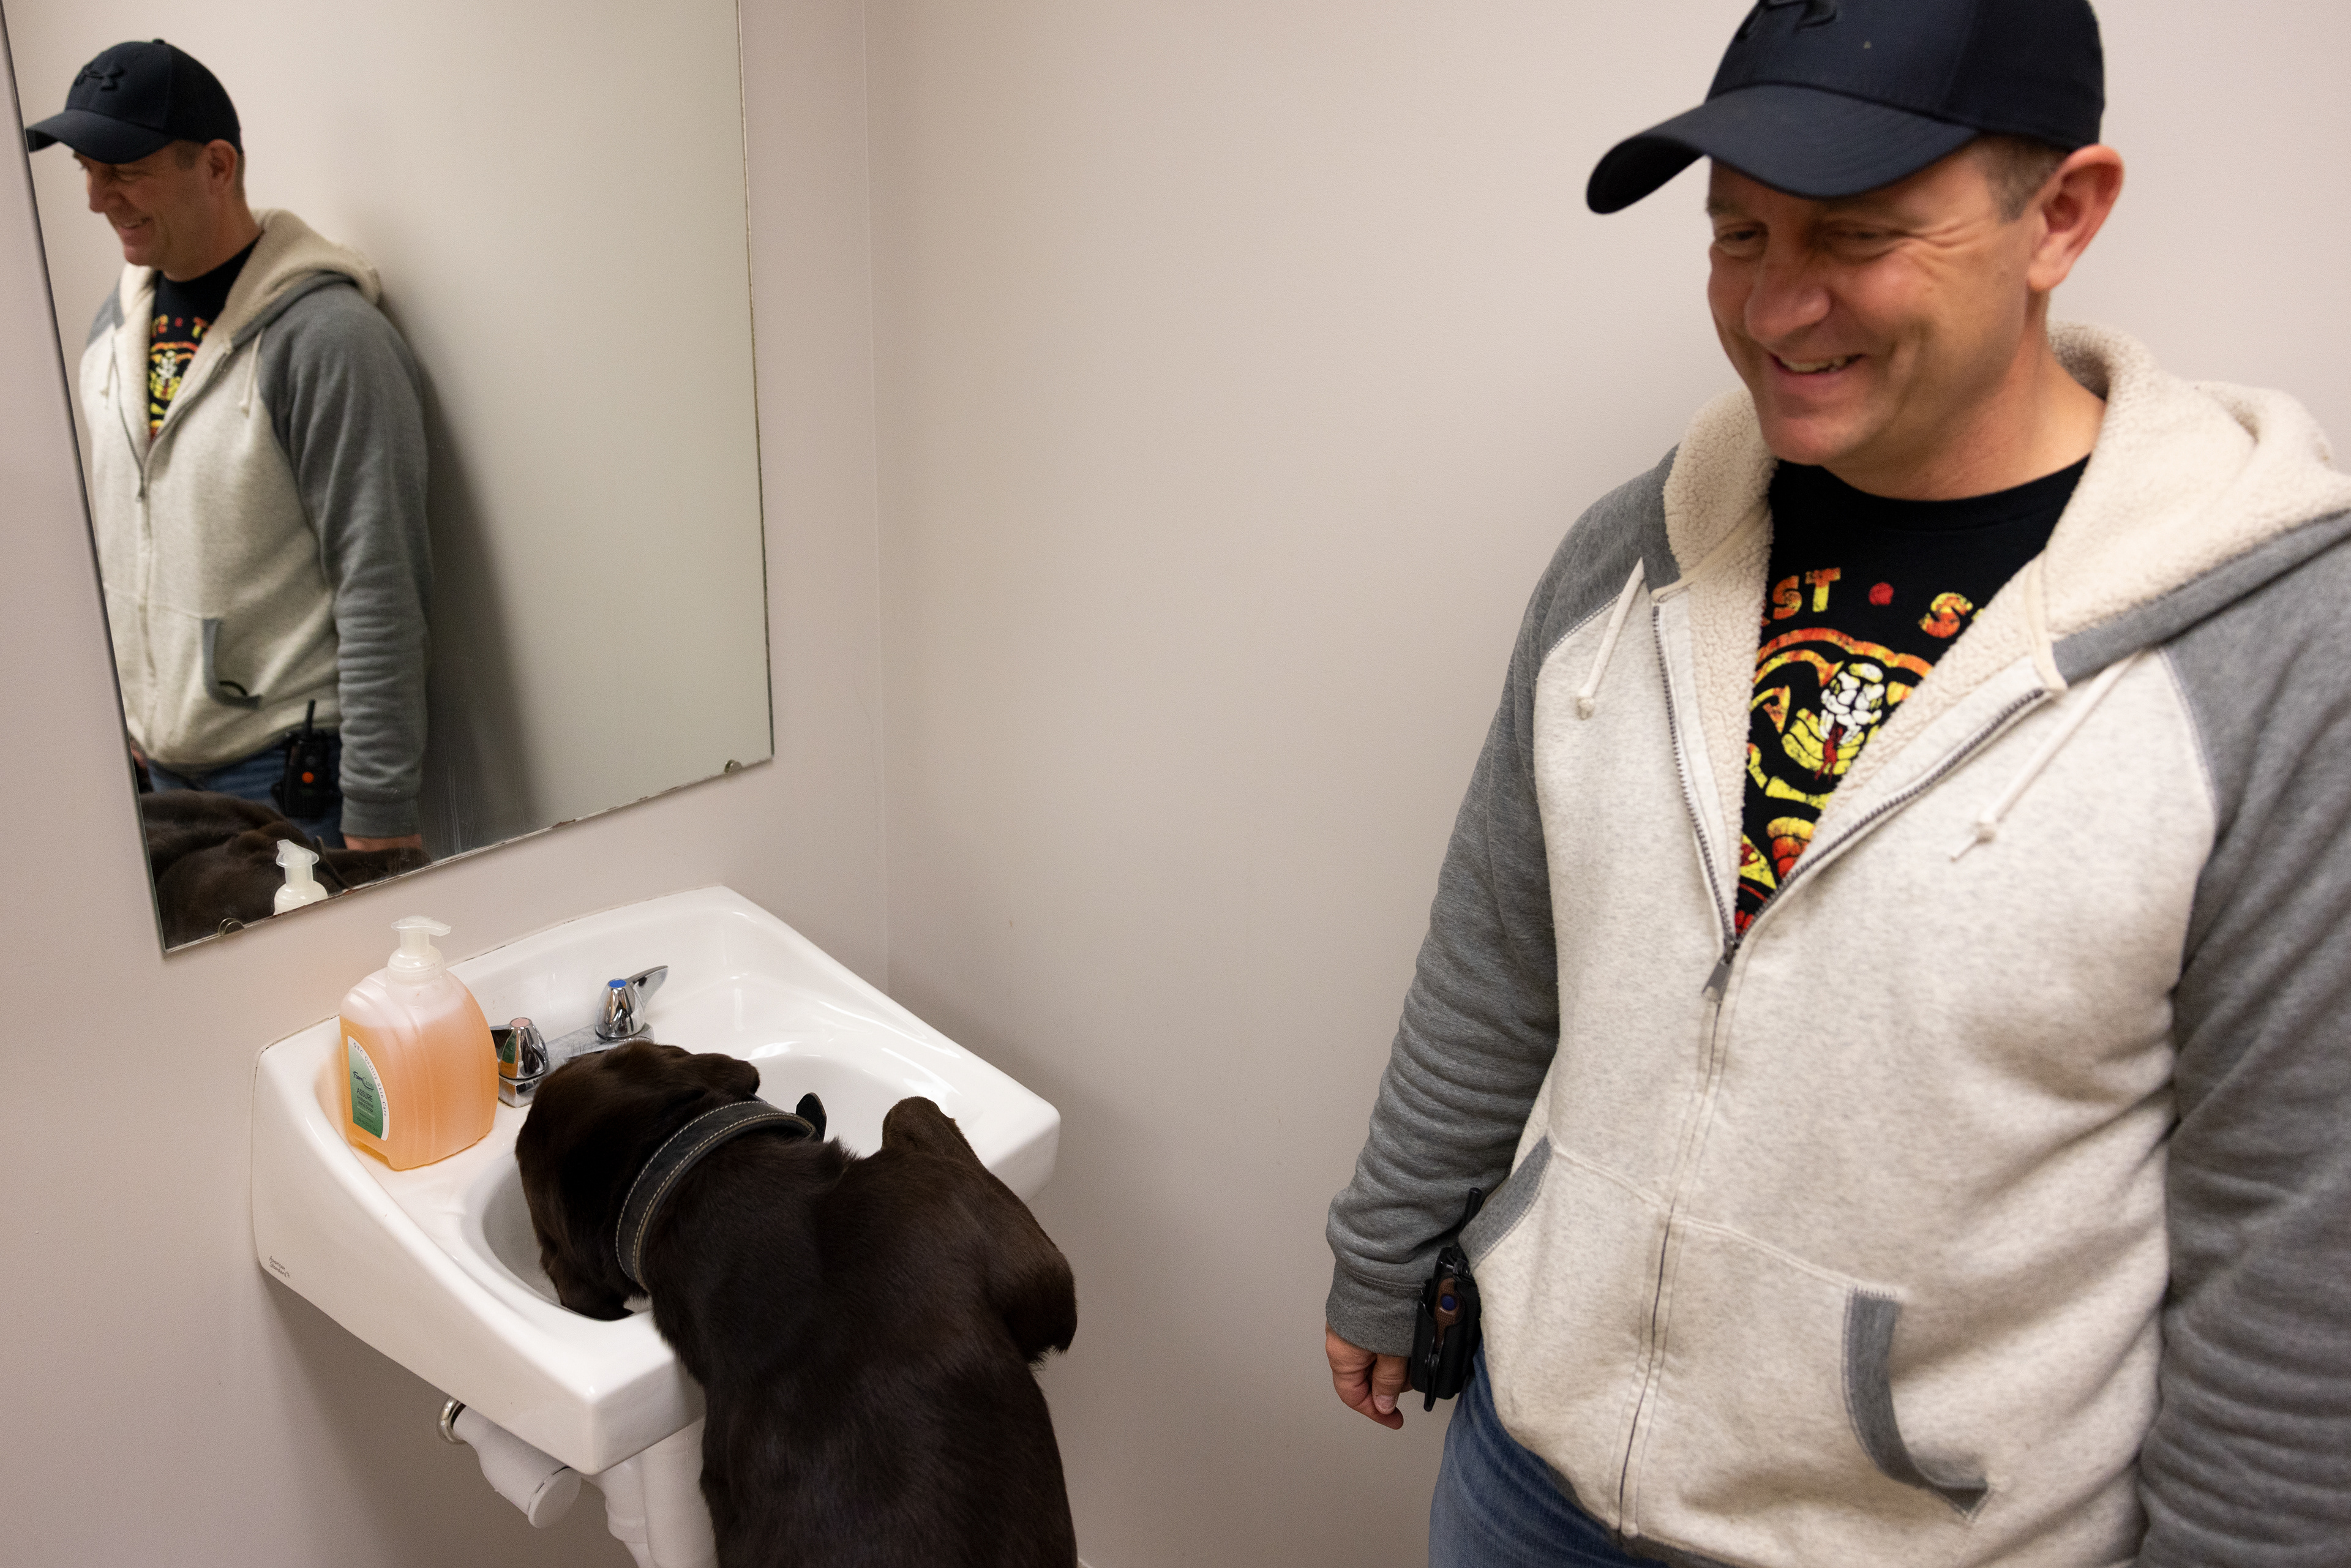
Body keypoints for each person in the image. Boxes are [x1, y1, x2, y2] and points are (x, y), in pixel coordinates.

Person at [1322, 1, 2351, 1564]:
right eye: (1737, 236)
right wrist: (1388, 1249)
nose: (1778, 306)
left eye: (1858, 235)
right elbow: (1497, 949)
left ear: (2060, 214)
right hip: (1526, 1484)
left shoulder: (2279, 659)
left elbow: (2296, 1233)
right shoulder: (1631, 560)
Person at [27, 39, 430, 851]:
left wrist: (379, 827)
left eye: (124, 169)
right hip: (156, 775)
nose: (98, 198)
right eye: (85, 168)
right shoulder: (112, 328)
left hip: (289, 784)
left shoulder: (328, 339)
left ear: (215, 166)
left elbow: (381, 587)